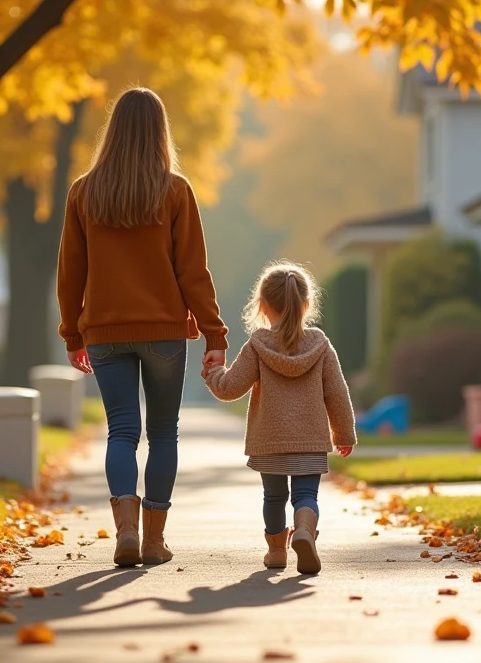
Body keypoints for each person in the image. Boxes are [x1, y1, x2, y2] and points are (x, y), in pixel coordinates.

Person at [57, 87, 227, 568]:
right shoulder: (175, 191)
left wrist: (73, 334)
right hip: (165, 333)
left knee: (122, 432)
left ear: (112, 134)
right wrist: (215, 334)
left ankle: (125, 532)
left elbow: (70, 273)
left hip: (105, 334)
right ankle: (153, 541)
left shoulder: (83, 192)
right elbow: (193, 271)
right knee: (164, 433)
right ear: (159, 132)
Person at [203, 262, 356, 575]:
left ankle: (276, 552)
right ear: (306, 304)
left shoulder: (258, 345)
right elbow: (337, 394)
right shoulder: (321, 346)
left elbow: (231, 388)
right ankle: (303, 530)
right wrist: (344, 434)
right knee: (305, 495)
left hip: (269, 441)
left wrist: (213, 373)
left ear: (262, 305)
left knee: (273, 497)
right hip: (310, 439)